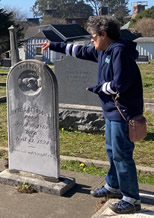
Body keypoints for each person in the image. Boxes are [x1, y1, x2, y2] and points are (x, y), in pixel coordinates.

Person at [40, 16, 143, 214]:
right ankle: (113, 186)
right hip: (112, 112)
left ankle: (131, 199)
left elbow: (120, 84)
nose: (91, 40)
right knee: (112, 151)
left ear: (104, 35)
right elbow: (80, 50)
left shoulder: (119, 51)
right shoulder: (105, 50)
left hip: (123, 113)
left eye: (94, 36)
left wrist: (98, 88)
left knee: (122, 155)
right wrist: (53, 45)